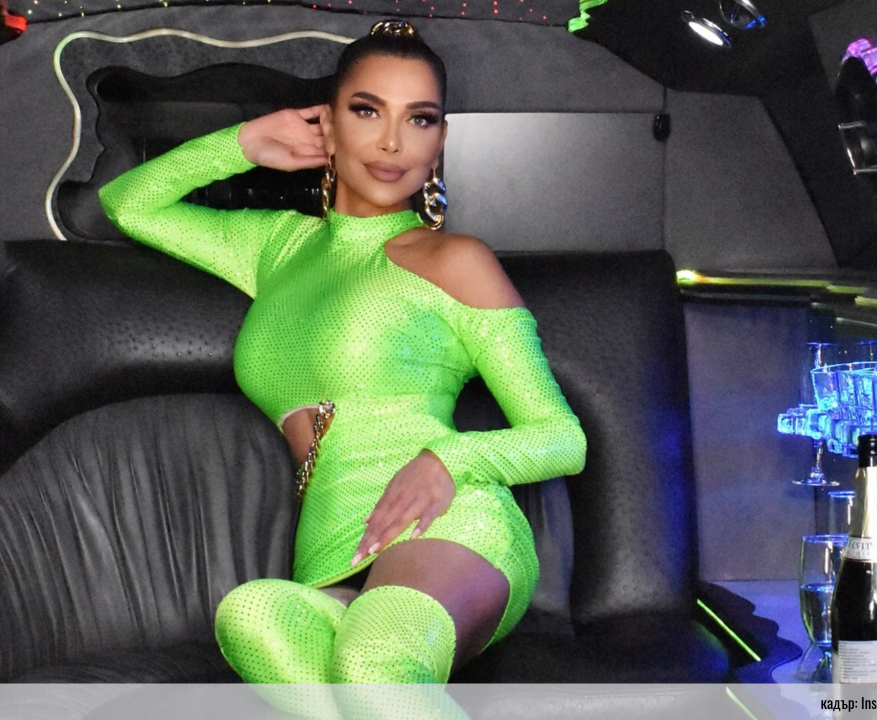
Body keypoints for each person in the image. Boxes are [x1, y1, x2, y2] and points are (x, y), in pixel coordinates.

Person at [98, 19, 586, 720]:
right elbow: (126, 203)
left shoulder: (457, 262)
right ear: (327, 123)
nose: (392, 143)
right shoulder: (276, 249)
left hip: (450, 525)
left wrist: (450, 459)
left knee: (372, 665)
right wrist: (243, 143)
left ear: (440, 140)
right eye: (366, 111)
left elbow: (563, 438)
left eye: (419, 119)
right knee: (253, 615)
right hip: (333, 542)